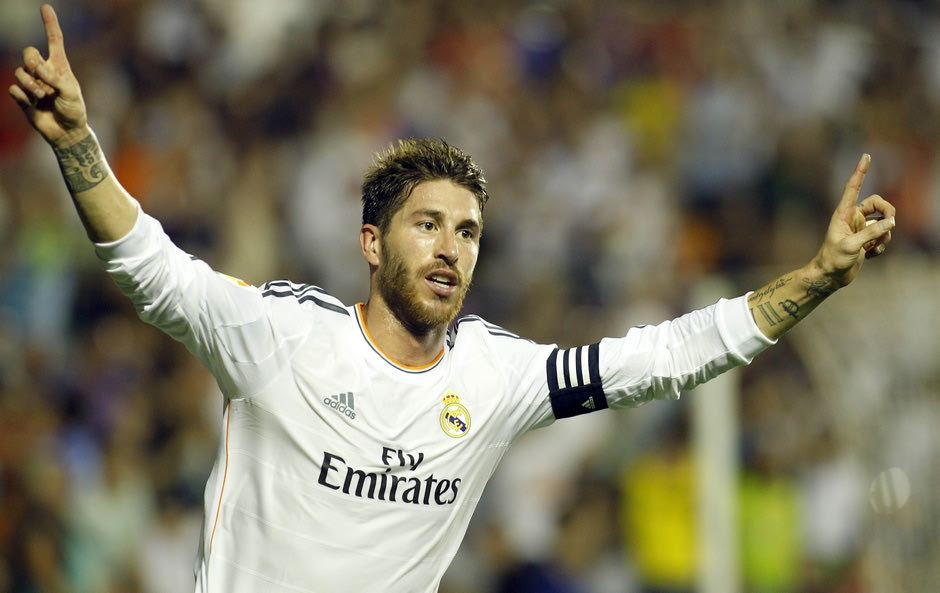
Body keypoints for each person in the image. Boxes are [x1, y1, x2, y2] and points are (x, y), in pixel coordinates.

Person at [9, 5, 896, 593]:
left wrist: (815, 279)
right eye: (427, 224)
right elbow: (152, 270)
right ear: (371, 242)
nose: (450, 247)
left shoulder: (495, 377)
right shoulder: (279, 333)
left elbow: (661, 359)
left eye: (467, 231)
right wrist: (79, 143)